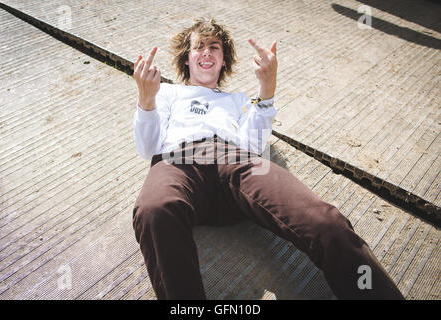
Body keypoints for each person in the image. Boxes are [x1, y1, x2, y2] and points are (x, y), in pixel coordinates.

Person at [131, 18, 404, 300]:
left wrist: (267, 91)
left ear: (224, 61)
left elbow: (253, 145)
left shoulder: (238, 100)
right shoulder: (168, 93)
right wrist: (147, 100)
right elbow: (148, 148)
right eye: (198, 47)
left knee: (326, 221)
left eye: (215, 47)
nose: (207, 52)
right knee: (154, 210)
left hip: (234, 160)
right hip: (178, 161)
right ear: (186, 59)